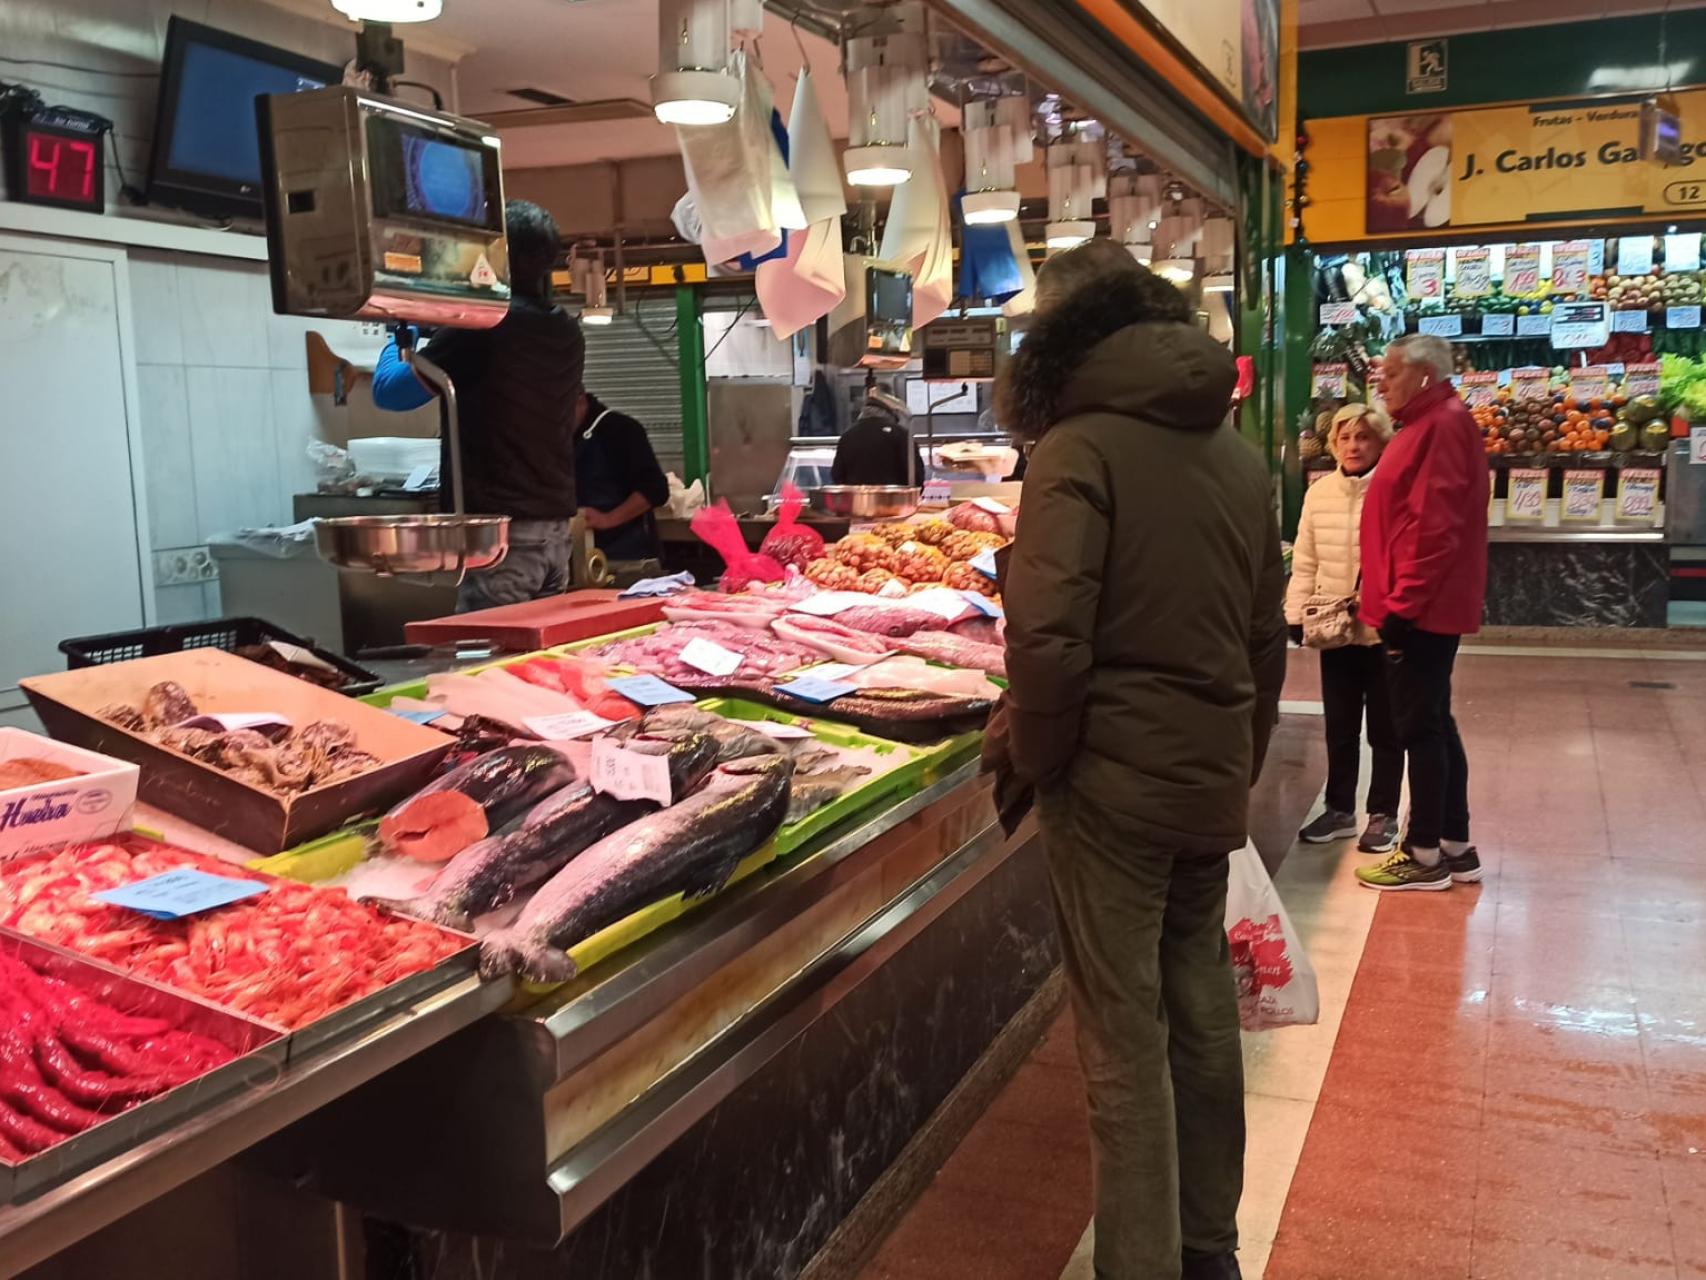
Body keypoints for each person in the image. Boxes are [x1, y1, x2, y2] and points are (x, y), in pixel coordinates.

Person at [991, 238, 1287, 1280]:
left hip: (1108, 780)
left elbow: (1045, 637)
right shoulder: (1238, 452)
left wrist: (1038, 759)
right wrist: (1233, 764)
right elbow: (1263, 638)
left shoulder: (1078, 447)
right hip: (1201, 774)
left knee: (1122, 1046)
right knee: (1201, 1013)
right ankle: (1208, 1250)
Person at [371, 199, 585, 612]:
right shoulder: (565, 330)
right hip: (555, 535)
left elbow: (391, 392)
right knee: (533, 666)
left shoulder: (484, 326)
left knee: (482, 664)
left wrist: (401, 332)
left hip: (504, 540)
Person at [1354, 333, 1489, 892]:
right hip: (1422, 605)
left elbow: (1433, 528)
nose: (1379, 380)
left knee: (1418, 728)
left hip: (1422, 609)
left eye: (1389, 372)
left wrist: (1402, 608)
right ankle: (1455, 844)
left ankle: (1424, 853)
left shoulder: (1441, 426)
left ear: (1424, 377)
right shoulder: (1430, 423)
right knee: (1434, 721)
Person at [1288, 403, 1403, 854]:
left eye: (1362, 437)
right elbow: (1305, 559)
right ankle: (1339, 809)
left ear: (1379, 442)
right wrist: (1295, 614)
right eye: (1344, 438)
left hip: (1383, 627)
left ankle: (1384, 813)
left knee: (1386, 726)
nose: (1353, 446)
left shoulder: (1394, 489)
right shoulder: (1319, 494)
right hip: (1334, 627)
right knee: (1339, 724)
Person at [574, 390, 669, 563]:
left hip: (626, 558)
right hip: (577, 558)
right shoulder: (557, 438)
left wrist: (607, 519)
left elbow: (655, 490)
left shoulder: (622, 430)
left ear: (580, 400)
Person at [830, 388, 927, 487]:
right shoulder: (901, 434)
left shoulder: (847, 436)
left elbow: (837, 476)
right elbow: (916, 476)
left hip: (856, 500)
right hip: (896, 500)